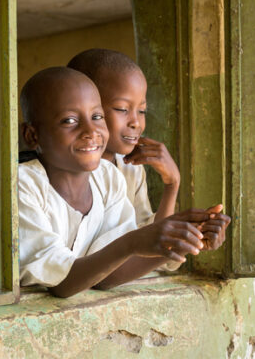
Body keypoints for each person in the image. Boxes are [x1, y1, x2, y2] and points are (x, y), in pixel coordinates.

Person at [18, 66, 215, 298]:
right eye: (69, 120)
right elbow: (62, 284)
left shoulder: (107, 178)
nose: (91, 131)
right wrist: (132, 243)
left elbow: (107, 275)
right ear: (32, 136)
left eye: (97, 117)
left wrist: (185, 241)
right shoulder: (22, 185)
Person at [68, 49, 231, 255]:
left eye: (142, 110)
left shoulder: (130, 168)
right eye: (121, 109)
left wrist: (172, 185)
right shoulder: (66, 172)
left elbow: (149, 240)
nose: (136, 122)